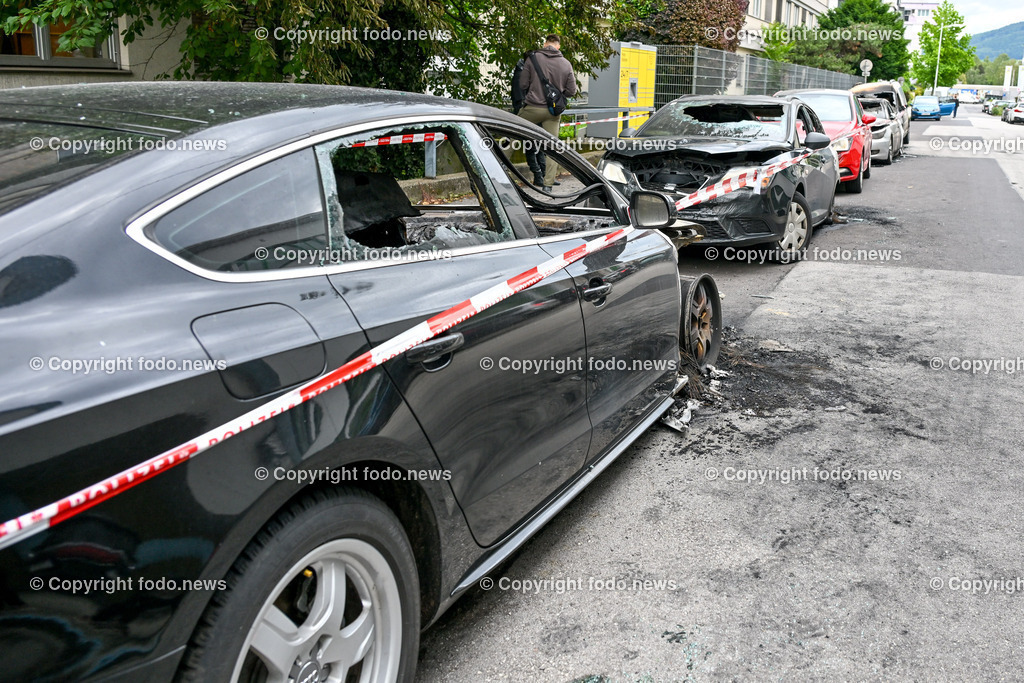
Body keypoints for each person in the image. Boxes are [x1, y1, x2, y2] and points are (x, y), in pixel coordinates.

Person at [517, 34, 577, 191]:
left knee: (510, 134)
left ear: (545, 44)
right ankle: (548, 184)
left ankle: (496, 167)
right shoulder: (566, 64)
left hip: (532, 108)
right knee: (553, 146)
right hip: (552, 111)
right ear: (558, 46)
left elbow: (522, 84)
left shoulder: (533, 58)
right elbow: (571, 91)